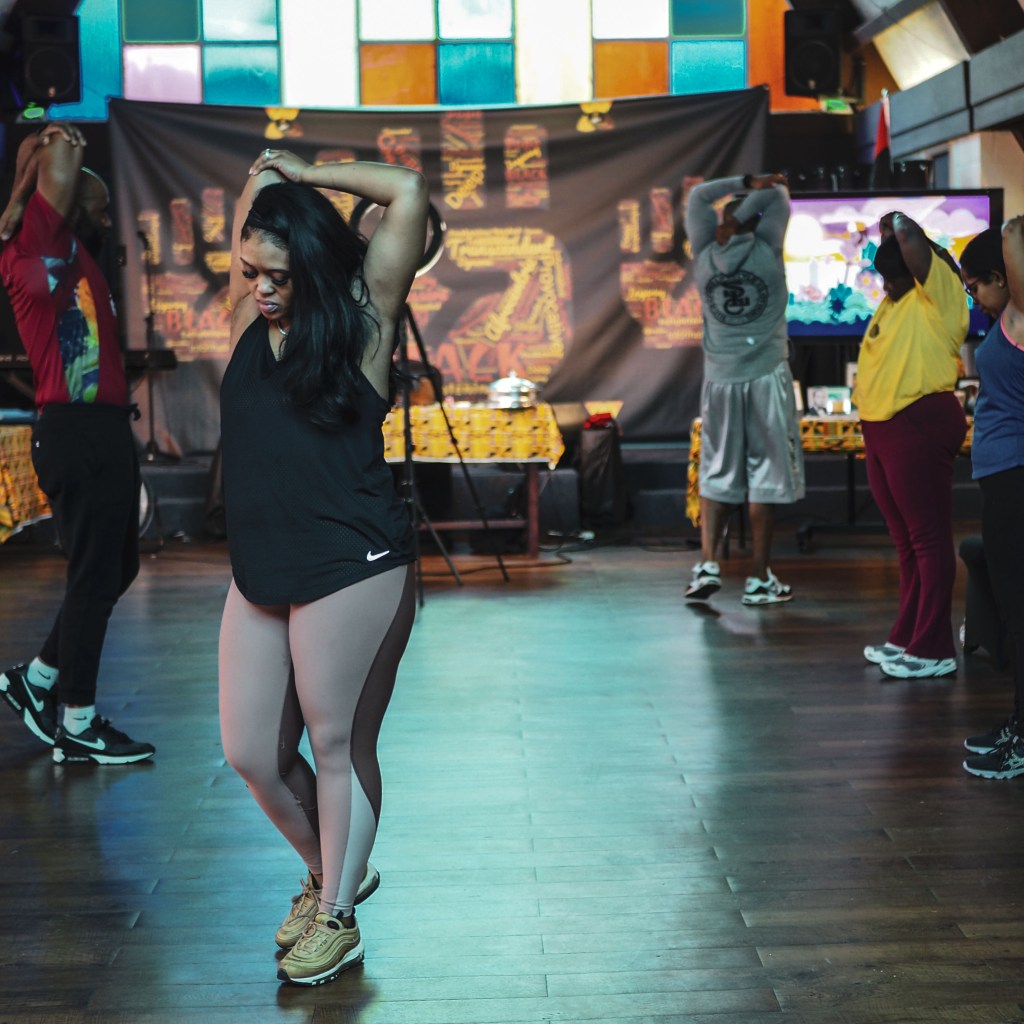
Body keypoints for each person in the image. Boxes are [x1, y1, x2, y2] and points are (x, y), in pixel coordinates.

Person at [218, 147, 427, 986]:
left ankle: (337, 916)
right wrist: (271, 179)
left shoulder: (362, 319)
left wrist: (308, 169)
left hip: (353, 563)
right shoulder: (252, 323)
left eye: (277, 274)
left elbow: (407, 190)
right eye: (249, 272)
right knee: (251, 752)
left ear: (310, 263)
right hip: (262, 567)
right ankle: (331, 868)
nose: (261, 289)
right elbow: (259, 198)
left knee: (336, 742)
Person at [0, 122, 154, 765]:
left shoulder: (73, 255)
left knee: (116, 568)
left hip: (99, 430)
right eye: (91, 191)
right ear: (55, 197)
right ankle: (77, 720)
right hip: (78, 430)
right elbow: (62, 157)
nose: (102, 199)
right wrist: (48, 145)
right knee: (94, 574)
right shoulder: (42, 240)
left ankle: (35, 682)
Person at [855, 211, 968, 679]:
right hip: (882, 426)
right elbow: (894, 242)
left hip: (918, 420)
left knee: (927, 539)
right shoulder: (896, 299)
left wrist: (898, 222)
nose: (886, 285)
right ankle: (907, 635)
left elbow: (906, 234)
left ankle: (935, 647)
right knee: (905, 543)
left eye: (894, 275)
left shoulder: (937, 292)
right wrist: (886, 237)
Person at [683, 172, 805, 605]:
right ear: (758, 222)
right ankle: (758, 577)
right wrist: (758, 189)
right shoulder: (768, 250)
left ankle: (708, 565)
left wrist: (740, 184)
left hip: (720, 379)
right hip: (766, 374)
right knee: (766, 478)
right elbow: (779, 197)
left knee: (716, 472)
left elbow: (699, 196)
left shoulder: (703, 253)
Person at [958, 220, 1024, 778]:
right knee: (1013, 612)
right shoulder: (1006, 317)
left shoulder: (1023, 315)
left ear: (1005, 277)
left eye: (977, 284)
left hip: (1016, 477)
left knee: (1021, 613)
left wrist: (1007, 229)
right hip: (1003, 476)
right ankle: (1020, 723)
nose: (972, 295)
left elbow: (1020, 232)